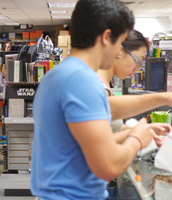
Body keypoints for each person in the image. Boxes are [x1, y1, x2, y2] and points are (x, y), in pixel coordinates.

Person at [31, 0, 154, 199]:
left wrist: (164, 99)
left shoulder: (58, 75)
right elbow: (109, 166)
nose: (118, 52)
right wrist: (137, 138)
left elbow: (105, 110)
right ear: (107, 37)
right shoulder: (82, 81)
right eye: (119, 43)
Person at [97, 29, 171, 199]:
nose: (137, 69)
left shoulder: (104, 85)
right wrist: (136, 135)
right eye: (138, 61)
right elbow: (100, 143)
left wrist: (147, 128)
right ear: (120, 51)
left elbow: (109, 127)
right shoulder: (98, 88)